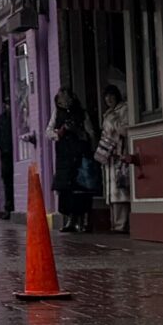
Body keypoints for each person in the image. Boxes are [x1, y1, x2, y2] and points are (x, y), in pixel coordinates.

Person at [51, 90, 97, 233]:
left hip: (79, 153)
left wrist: (78, 132)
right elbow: (49, 132)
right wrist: (59, 133)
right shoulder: (57, 114)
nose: (64, 102)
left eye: (66, 98)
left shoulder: (82, 113)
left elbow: (90, 133)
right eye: (61, 100)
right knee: (66, 190)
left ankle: (83, 220)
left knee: (81, 188)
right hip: (64, 155)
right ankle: (70, 220)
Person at [97, 83, 130, 234]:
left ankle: (121, 224)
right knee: (111, 191)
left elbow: (124, 130)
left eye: (111, 95)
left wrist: (114, 120)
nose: (108, 99)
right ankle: (114, 223)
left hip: (119, 154)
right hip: (108, 154)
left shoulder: (124, 110)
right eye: (106, 96)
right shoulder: (108, 113)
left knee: (120, 190)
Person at [0, 104, 15, 218]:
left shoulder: (17, 116)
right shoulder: (2, 119)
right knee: (7, 181)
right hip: (6, 155)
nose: (8, 106)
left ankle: (12, 207)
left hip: (17, 152)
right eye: (7, 104)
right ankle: (8, 208)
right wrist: (3, 147)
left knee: (12, 181)